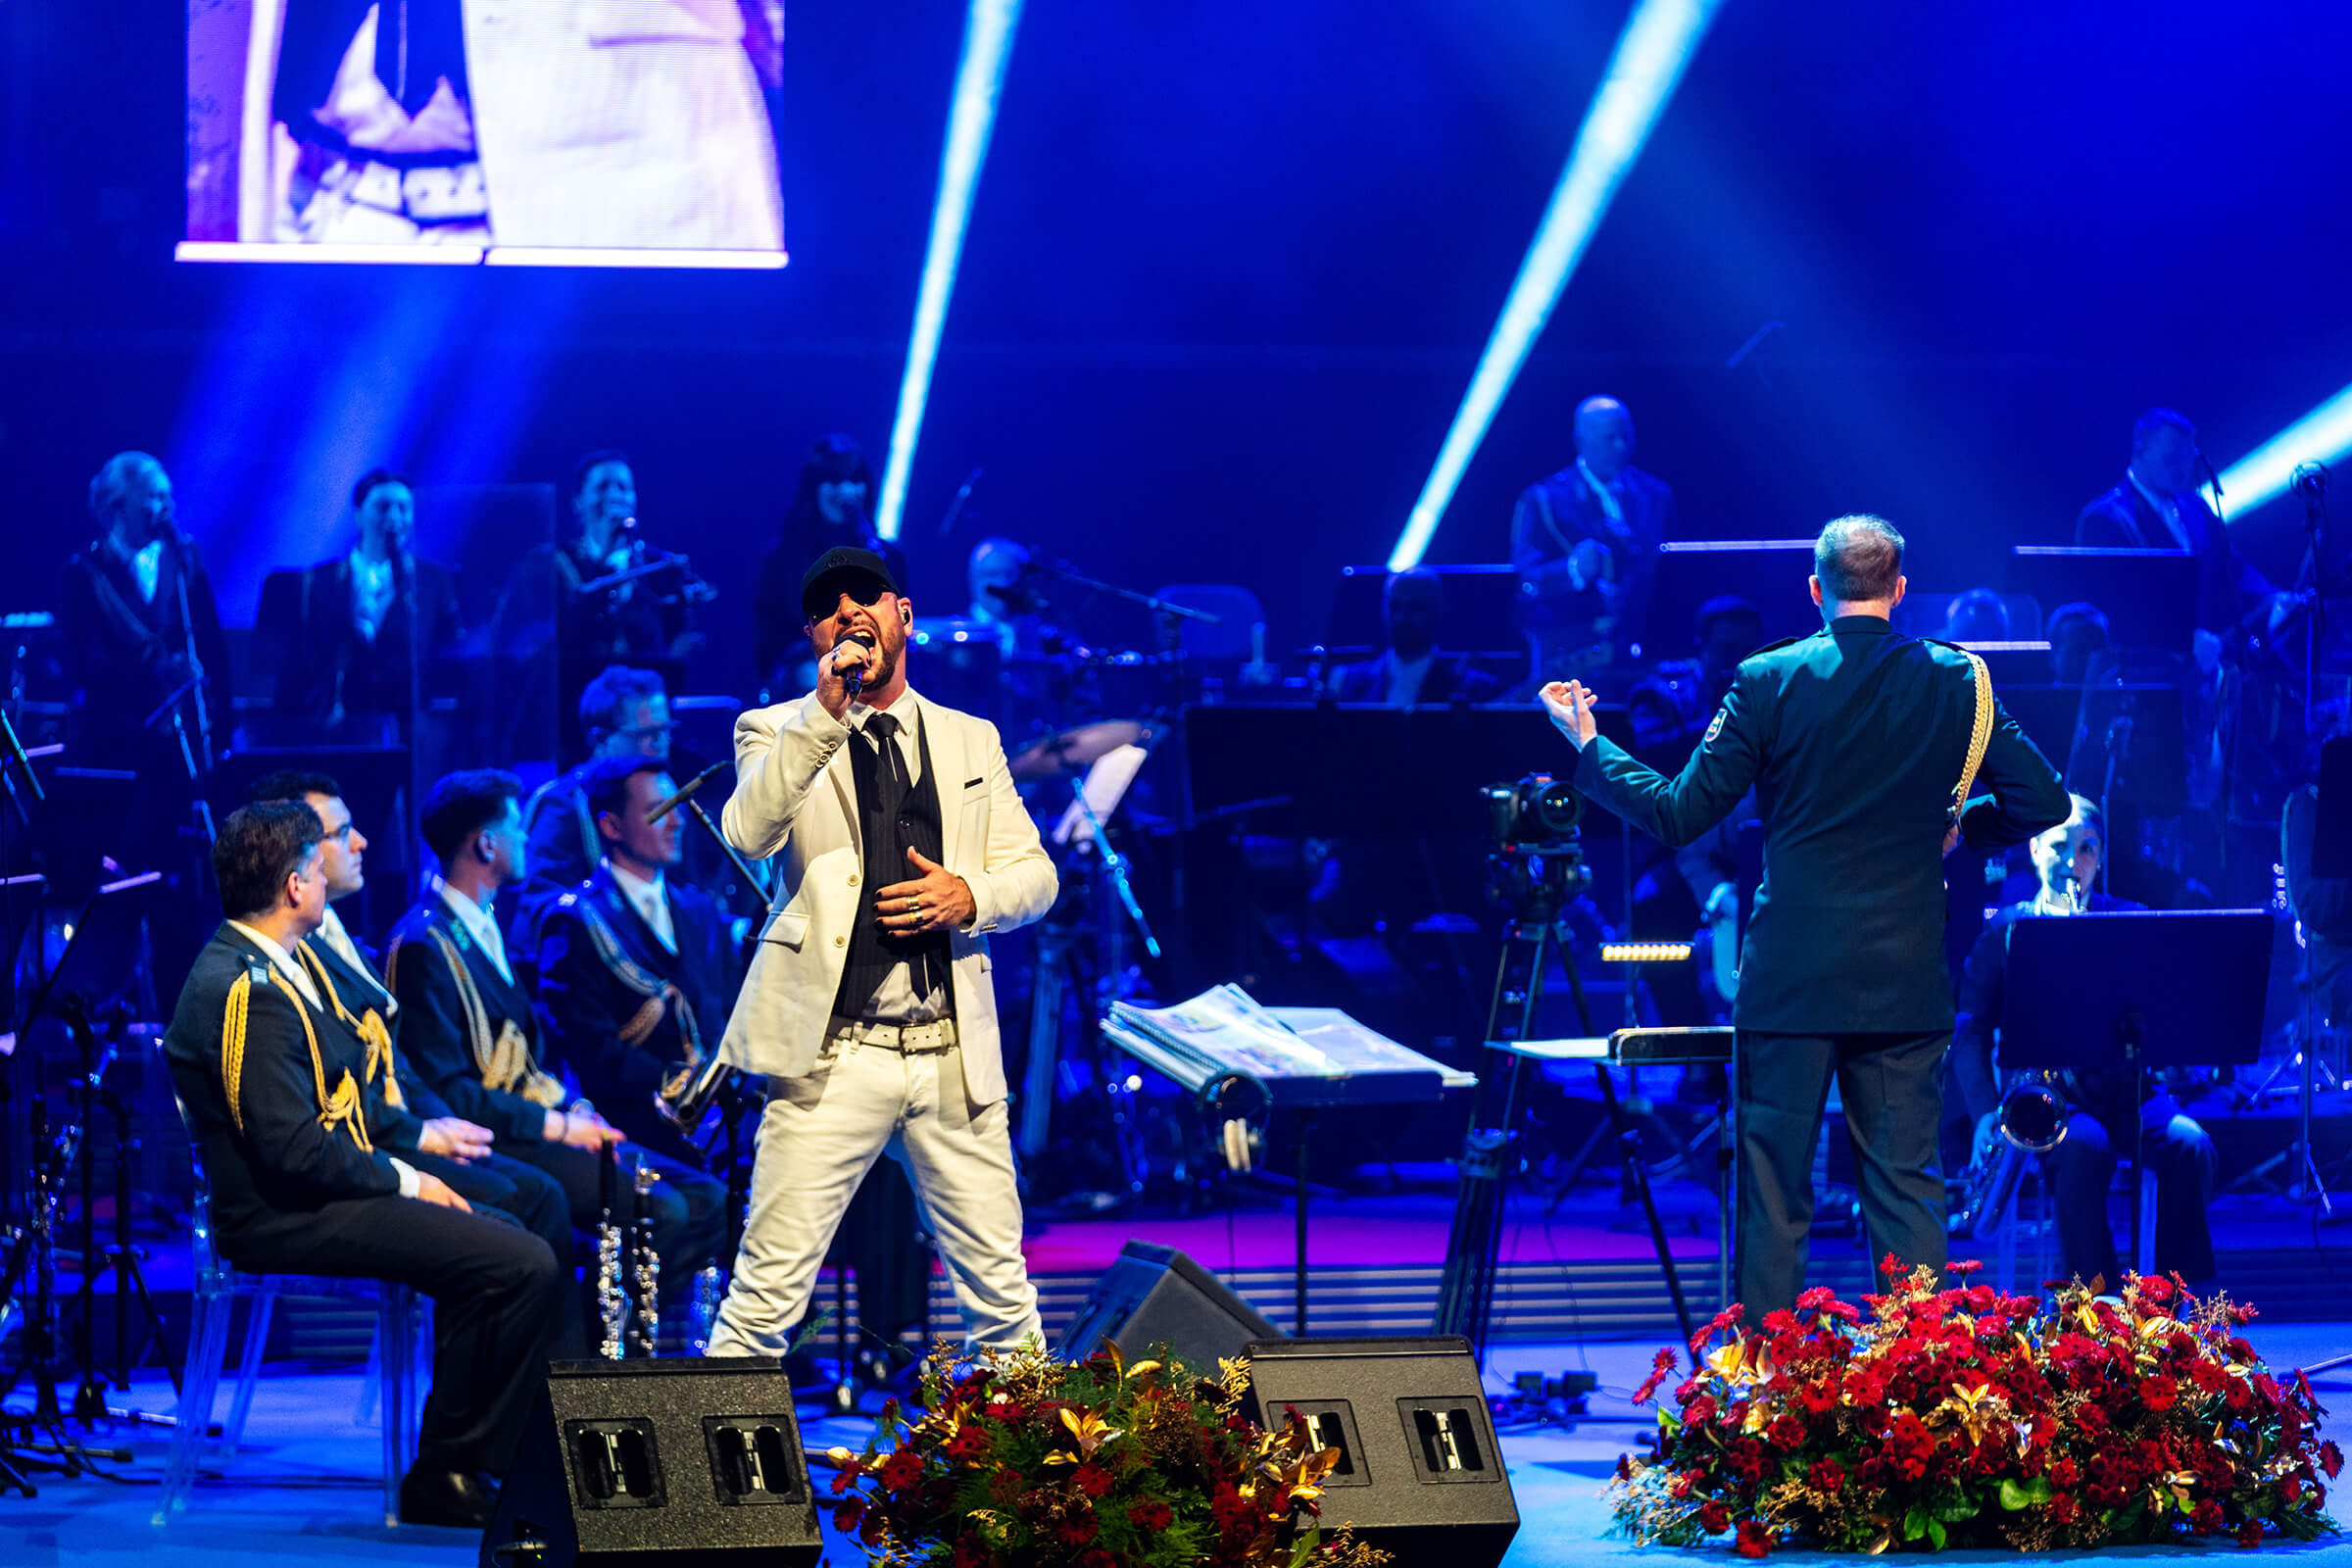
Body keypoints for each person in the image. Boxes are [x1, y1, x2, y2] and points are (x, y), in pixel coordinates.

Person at [1542, 514, 2071, 1312]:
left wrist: (1589, 744)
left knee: (1772, 1190)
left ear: (1817, 591)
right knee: (1906, 1192)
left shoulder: (1766, 679)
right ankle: (1922, 1386)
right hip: (1904, 979)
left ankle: (1768, 1392)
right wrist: (1966, 832)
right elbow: (2046, 798)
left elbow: (1680, 813)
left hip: (1789, 982)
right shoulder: (1960, 679)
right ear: (1899, 591)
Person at [161, 803, 562, 1527]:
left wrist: (411, 1154)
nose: (324, 879)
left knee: (513, 1235)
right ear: (294, 887)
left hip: (318, 1192)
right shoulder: (248, 988)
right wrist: (409, 1178)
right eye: (316, 868)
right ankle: (447, 1471)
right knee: (514, 1263)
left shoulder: (277, 964)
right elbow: (293, 1152)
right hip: (278, 1215)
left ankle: (480, 1456)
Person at [705, 546, 1058, 1356]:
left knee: (1006, 1310)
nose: (850, 612)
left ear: (905, 615)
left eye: (867, 597)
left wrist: (972, 896)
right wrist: (824, 716)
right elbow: (748, 833)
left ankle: (1031, 1481)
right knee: (762, 1304)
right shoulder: (774, 729)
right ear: (814, 635)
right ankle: (710, 1485)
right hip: (833, 1055)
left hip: (950, 1052)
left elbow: (1036, 875)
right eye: (830, 607)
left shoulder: (972, 740)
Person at [243, 767, 581, 1354]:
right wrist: (422, 1136)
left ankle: (546, 1406)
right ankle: (512, 1417)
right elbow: (332, 1095)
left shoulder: (344, 942)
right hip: (345, 1164)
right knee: (519, 1204)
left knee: (533, 1193)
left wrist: (438, 1125)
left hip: (386, 1137)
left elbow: (396, 1068)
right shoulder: (283, 961)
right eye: (339, 832)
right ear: (289, 853)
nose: (360, 842)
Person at [389, 769, 725, 1306]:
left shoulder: (483, 924)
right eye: (516, 829)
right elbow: (446, 1090)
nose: (527, 841)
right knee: (666, 1209)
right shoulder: (425, 942)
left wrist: (577, 1114)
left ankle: (635, 1355)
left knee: (708, 1198)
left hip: (540, 1120)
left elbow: (531, 1060)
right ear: (486, 843)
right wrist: (556, 1124)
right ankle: (597, 1358)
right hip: (501, 1137)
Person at [1954, 797, 2217, 1288]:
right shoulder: (2006, 930)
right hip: (2058, 1105)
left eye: (2086, 849)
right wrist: (1985, 1110)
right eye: (2059, 847)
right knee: (2082, 1149)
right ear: (2034, 850)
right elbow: (1970, 1029)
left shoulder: (2130, 921)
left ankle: (2168, 1305)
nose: (2072, 863)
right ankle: (2098, 1308)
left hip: (2131, 1095)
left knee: (2191, 1145)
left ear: (2101, 856)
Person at [533, 754, 745, 1167]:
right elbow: (592, 1050)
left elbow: (725, 1013)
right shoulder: (575, 919)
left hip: (717, 1126)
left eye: (678, 805)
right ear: (611, 826)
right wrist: (685, 1087)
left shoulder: (698, 909)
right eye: (659, 811)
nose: (677, 821)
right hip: (633, 1130)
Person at [57, 452, 230, 775]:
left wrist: (221, 725)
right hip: (116, 739)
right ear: (116, 505)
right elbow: (84, 664)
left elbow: (213, 645)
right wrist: (159, 671)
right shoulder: (84, 573)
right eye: (153, 496)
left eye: (168, 496)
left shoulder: (184, 558)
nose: (166, 506)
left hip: (182, 741)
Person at [267, 468, 463, 746]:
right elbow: (295, 665)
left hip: (409, 731)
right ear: (358, 514)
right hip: (332, 730)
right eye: (383, 507)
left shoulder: (432, 580)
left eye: (403, 508)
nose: (394, 518)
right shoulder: (317, 582)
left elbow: (449, 652)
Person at [2075, 408, 2283, 654]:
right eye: (2171, 459)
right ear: (2140, 451)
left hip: (2209, 665)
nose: (2182, 469)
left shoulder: (2196, 507)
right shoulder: (2106, 518)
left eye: (2188, 459)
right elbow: (2113, 605)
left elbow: (2233, 566)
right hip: (2148, 667)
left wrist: (2274, 598)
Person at [1511, 395, 1676, 689]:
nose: (1620, 447)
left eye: (1626, 437)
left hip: (1643, 649)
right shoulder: (1545, 499)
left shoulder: (1656, 495)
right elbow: (1525, 579)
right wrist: (1572, 570)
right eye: (1609, 439)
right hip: (1571, 653)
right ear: (1580, 440)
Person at [753, 435, 907, 696]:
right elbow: (768, 642)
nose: (847, 491)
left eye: (855, 481)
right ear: (814, 488)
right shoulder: (782, 557)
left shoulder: (887, 556)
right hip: (804, 688)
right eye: (835, 481)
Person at [520, 664, 674, 907]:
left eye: (666, 731)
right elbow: (541, 901)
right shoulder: (564, 804)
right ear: (601, 739)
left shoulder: (671, 798)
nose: (662, 745)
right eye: (649, 735)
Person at [1327, 567, 1501, 707]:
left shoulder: (1472, 689)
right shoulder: (1345, 683)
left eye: (1414, 607)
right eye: (1395, 606)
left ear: (1437, 610)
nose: (1401, 617)